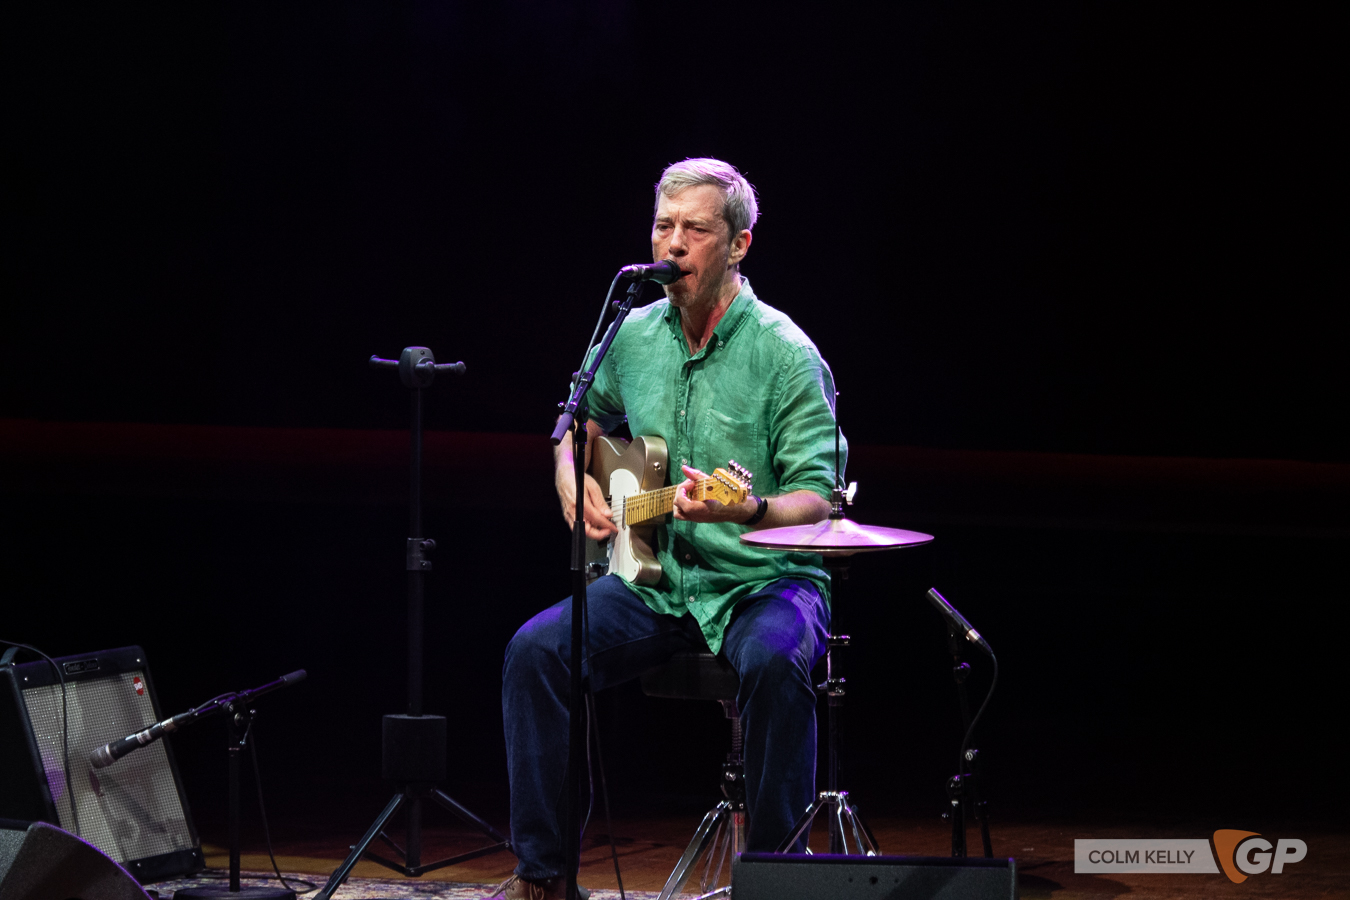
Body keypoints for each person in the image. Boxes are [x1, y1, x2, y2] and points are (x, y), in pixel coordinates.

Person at [496, 158, 846, 900]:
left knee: (778, 663)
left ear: (740, 244)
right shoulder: (633, 333)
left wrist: (748, 509)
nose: (674, 244)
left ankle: (775, 881)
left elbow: (817, 500)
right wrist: (573, 473)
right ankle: (546, 876)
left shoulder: (786, 354)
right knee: (535, 652)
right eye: (664, 225)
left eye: (696, 228)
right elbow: (574, 421)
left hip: (764, 583)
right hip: (659, 584)